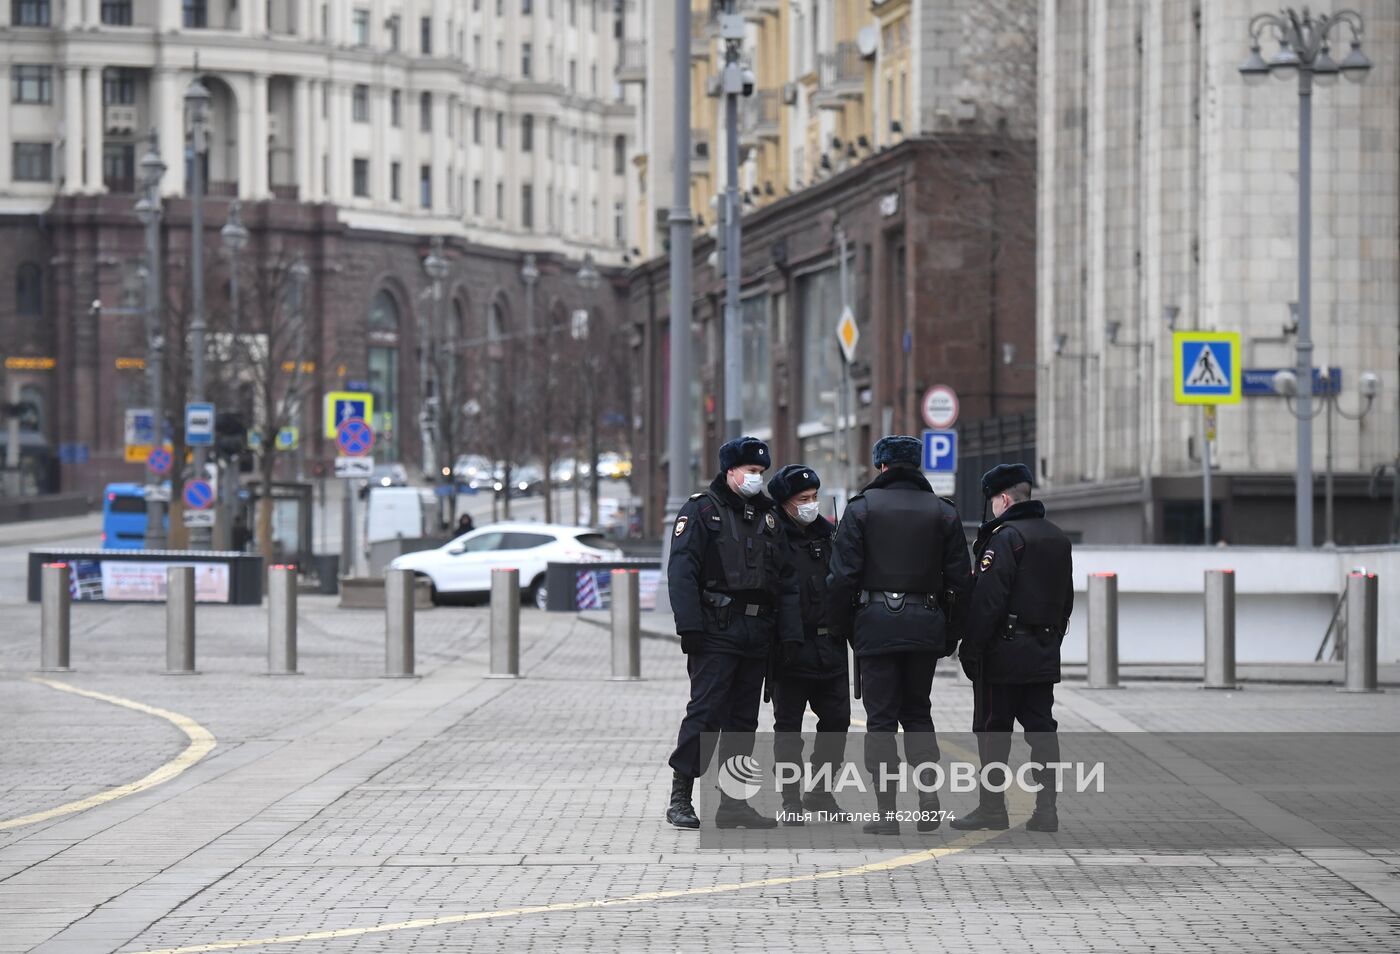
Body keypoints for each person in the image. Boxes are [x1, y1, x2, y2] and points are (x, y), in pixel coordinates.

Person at [826, 435, 971, 835]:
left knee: (881, 721)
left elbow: (841, 579)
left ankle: (887, 813)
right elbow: (961, 581)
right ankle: (928, 803)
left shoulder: (861, 510)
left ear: (882, 466)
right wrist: (949, 634)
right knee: (918, 714)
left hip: (874, 625)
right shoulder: (943, 513)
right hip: (925, 623)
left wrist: (842, 628)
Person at [665, 436, 801, 830]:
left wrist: (789, 635)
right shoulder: (701, 510)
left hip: (757, 630)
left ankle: (733, 802)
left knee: (743, 720)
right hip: (714, 629)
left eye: (761, 472)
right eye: (751, 472)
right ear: (730, 471)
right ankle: (681, 796)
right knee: (705, 713)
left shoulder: (770, 517)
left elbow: (787, 580)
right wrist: (689, 626)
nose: (757, 478)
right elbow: (682, 572)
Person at [952, 463, 1074, 833]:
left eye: (992, 501)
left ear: (1004, 499)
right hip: (1043, 648)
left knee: (993, 729)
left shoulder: (1006, 538)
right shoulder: (1057, 537)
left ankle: (992, 808)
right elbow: (1066, 598)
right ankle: (1047, 810)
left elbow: (989, 599)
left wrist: (971, 649)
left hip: (1003, 652)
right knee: (1041, 728)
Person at [766, 464, 847, 824]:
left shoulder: (829, 536)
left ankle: (821, 793)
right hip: (791, 647)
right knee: (789, 728)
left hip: (830, 645)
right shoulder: (772, 536)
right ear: (785, 503)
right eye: (803, 499)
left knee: (837, 722)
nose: (810, 504)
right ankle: (791, 800)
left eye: (814, 497)